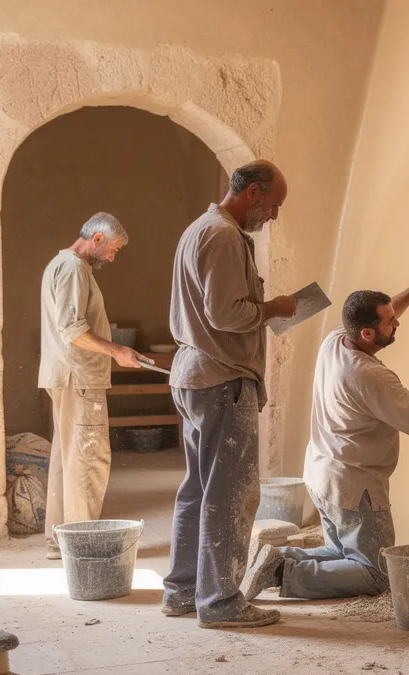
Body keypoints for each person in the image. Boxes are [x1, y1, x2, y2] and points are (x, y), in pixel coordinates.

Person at [239, 249, 409, 603]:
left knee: (346, 556)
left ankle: (276, 560)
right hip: (354, 489)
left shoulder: (336, 341)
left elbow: (383, 315)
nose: (396, 324)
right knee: (375, 572)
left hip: (322, 475)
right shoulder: (371, 375)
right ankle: (283, 572)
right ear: (369, 334)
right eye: (390, 323)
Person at [162, 160, 299, 629]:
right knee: (231, 494)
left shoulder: (199, 229)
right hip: (221, 377)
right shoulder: (222, 235)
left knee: (198, 490)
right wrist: (273, 308)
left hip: (196, 374)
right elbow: (225, 314)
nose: (274, 216)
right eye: (274, 205)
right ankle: (220, 602)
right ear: (254, 193)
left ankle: (183, 591)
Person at [38, 212, 142, 560]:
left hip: (68, 376)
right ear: (96, 239)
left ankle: (61, 542)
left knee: (67, 458)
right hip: (78, 378)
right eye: (112, 249)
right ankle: (83, 547)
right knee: (86, 459)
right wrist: (117, 351)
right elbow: (73, 329)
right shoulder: (73, 268)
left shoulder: (61, 264)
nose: (112, 257)